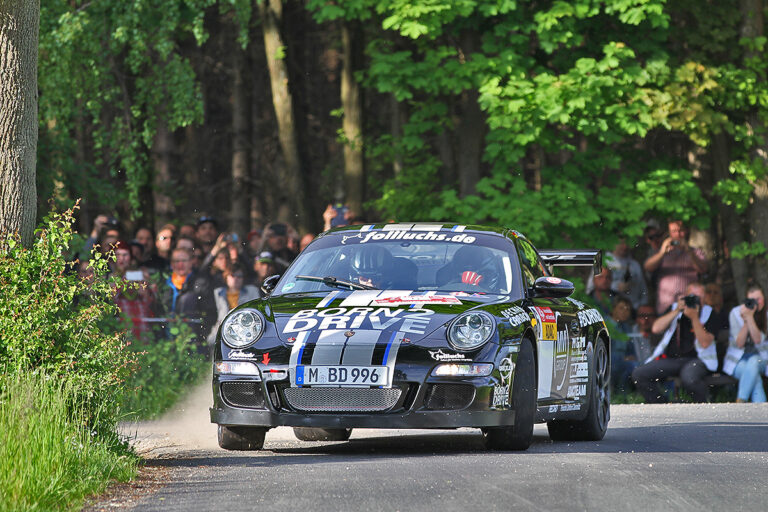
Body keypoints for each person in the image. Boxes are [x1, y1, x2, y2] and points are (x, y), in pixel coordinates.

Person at [631, 282, 719, 403]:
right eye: (692, 297)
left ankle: (702, 405)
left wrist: (694, 318)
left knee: (689, 378)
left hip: (698, 360)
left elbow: (705, 343)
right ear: (685, 296)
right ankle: (663, 405)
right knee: (639, 374)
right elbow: (656, 328)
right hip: (672, 359)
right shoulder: (675, 308)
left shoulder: (710, 313)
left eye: (699, 297)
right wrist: (677, 310)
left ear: (704, 298)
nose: (695, 301)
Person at [644, 220, 708, 315]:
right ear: (669, 233)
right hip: (665, 307)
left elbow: (704, 269)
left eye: (681, 230)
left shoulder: (695, 251)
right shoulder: (661, 251)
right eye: (674, 231)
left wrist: (689, 252)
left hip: (689, 306)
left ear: (686, 231)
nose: (678, 234)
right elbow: (647, 267)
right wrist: (662, 252)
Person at [157, 247, 216, 342]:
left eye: (184, 260)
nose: (180, 264)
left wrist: (201, 336)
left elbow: (210, 313)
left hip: (192, 340)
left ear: (191, 262)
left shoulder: (201, 283)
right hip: (166, 340)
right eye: (177, 261)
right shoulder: (163, 284)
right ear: (171, 264)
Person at [723, 285, 768, 403]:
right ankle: (761, 411)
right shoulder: (736, 313)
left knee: (754, 361)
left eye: (759, 299)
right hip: (738, 360)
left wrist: (750, 318)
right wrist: (746, 319)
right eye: (752, 300)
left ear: (764, 298)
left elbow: (758, 340)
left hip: (761, 358)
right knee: (754, 376)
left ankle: (741, 401)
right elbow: (739, 343)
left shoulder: (766, 314)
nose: (756, 303)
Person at [208, 263, 261, 344]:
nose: (236, 279)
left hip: (245, 330)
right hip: (222, 329)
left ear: (243, 278)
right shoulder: (217, 293)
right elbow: (212, 316)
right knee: (211, 341)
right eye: (232, 275)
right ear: (226, 277)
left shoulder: (252, 291)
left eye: (239, 276)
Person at [609, 297, 638, 393]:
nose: (624, 312)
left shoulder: (627, 328)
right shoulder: (606, 325)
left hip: (624, 362)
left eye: (627, 309)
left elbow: (631, 350)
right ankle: (621, 394)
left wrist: (631, 356)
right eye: (621, 308)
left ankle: (626, 395)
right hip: (610, 362)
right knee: (631, 366)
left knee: (636, 365)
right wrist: (622, 358)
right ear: (613, 309)